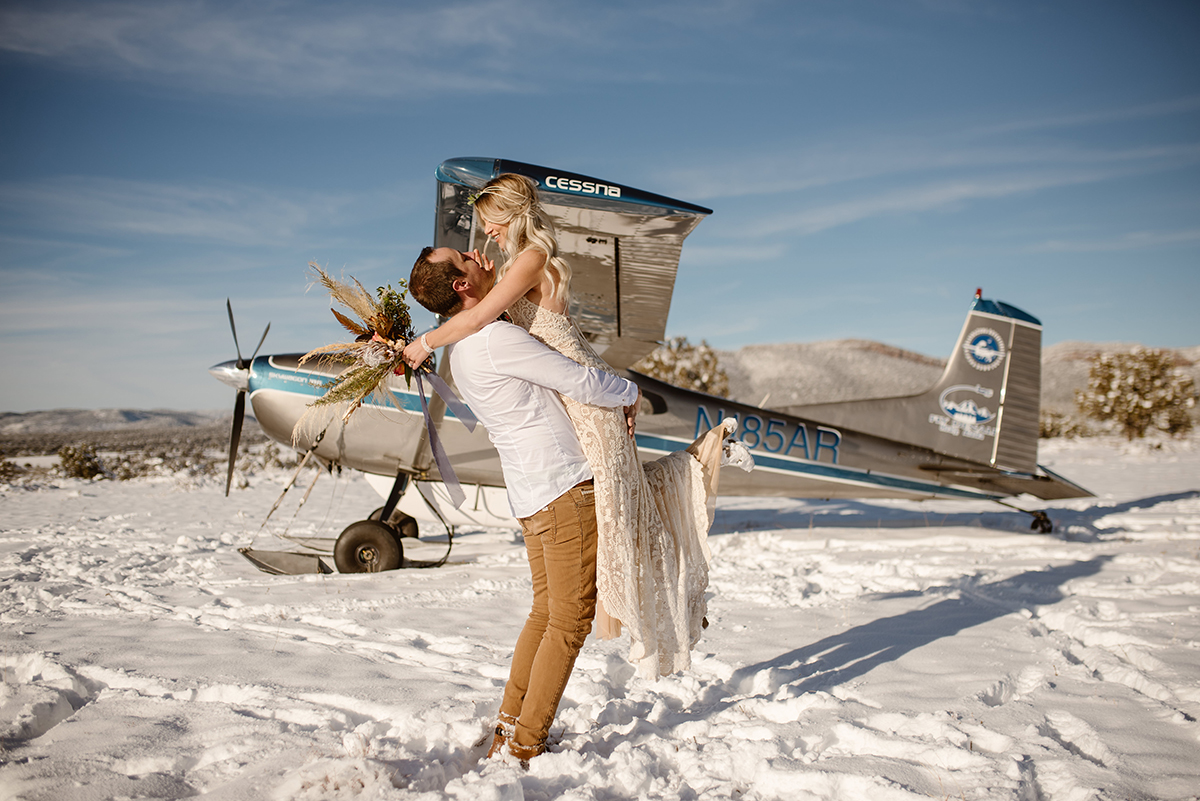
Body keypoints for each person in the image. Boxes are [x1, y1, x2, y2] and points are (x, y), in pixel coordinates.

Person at [402, 174, 737, 680]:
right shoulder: (515, 269)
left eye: (489, 224)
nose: (483, 236)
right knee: (619, 514)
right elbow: (485, 324)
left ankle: (681, 557)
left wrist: (427, 341)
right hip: (575, 396)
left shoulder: (531, 258)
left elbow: (481, 324)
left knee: (625, 509)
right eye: (479, 234)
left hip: (584, 392)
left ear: (512, 216)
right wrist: (460, 310)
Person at [407, 248, 640, 762]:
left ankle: (508, 728)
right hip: (562, 487)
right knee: (570, 620)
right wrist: (628, 389)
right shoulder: (494, 340)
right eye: (464, 258)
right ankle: (525, 745)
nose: (476, 253)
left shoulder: (464, 349)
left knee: (545, 613)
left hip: (532, 493)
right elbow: (578, 379)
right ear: (463, 287)